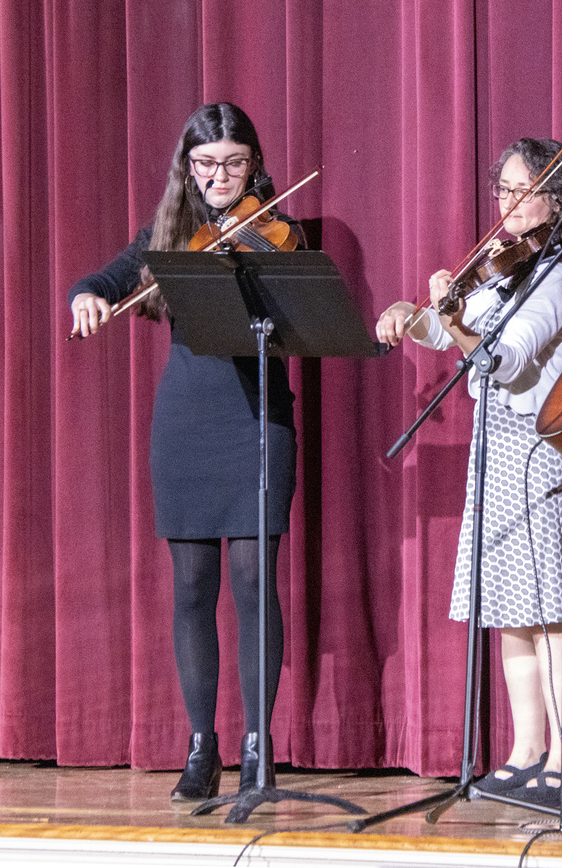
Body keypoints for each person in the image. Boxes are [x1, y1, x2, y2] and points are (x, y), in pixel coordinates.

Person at [68, 103, 302, 802]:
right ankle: (202, 745)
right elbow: (108, 280)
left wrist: (246, 248)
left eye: (234, 163)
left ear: (255, 163)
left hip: (258, 417)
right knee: (193, 587)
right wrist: (85, 295)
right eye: (205, 164)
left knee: (256, 582)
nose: (220, 177)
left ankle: (258, 744)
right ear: (187, 167)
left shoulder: (277, 230)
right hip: (187, 424)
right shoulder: (169, 232)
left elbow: (297, 310)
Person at [376, 138, 562, 810]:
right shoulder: (501, 272)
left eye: (521, 190)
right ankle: (525, 750)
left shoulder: (560, 277)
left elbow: (504, 359)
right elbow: (454, 331)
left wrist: (450, 320)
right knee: (511, 614)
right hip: (497, 452)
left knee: (550, 613)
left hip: (544, 451)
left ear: (557, 202)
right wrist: (414, 317)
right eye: (501, 190)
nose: (506, 204)